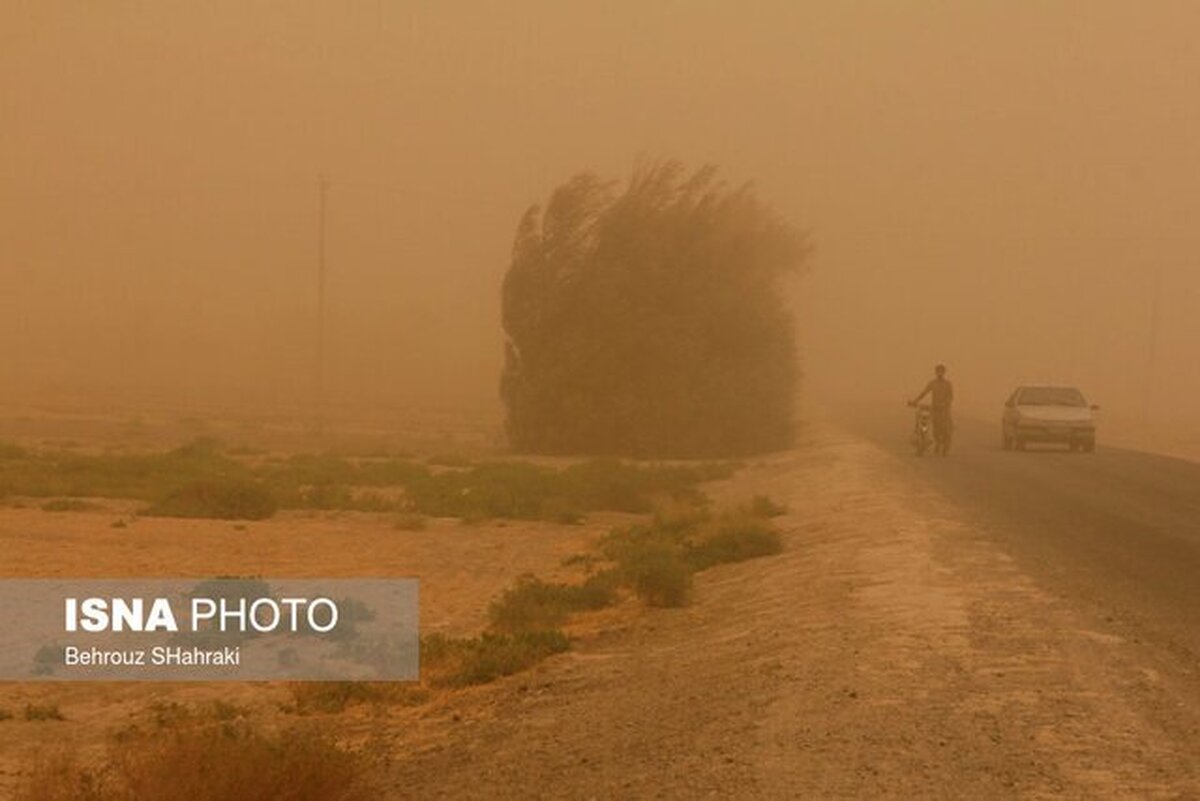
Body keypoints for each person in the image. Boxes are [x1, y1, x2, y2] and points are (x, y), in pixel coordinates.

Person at [911, 364, 954, 456]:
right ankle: (937, 443)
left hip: (944, 411)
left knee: (945, 430)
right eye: (938, 371)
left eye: (941, 371)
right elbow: (924, 392)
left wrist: (944, 404)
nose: (940, 373)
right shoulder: (932, 383)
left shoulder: (948, 384)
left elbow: (950, 397)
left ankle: (945, 447)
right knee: (935, 429)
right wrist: (915, 401)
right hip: (935, 410)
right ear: (936, 372)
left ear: (944, 372)